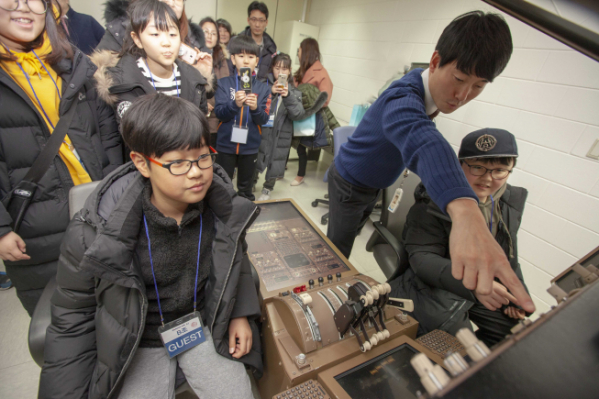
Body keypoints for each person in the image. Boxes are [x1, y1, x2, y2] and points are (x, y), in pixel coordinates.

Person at [39, 94, 261, 399]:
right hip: (138, 337)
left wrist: (239, 312)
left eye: (203, 156)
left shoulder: (221, 206)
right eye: (178, 163)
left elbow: (238, 259)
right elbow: (71, 319)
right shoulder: (95, 231)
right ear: (142, 163)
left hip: (202, 323)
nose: (196, 172)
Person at [326, 11, 534, 313]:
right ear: (434, 62)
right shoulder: (402, 97)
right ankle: (327, 307)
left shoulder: (430, 97)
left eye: (478, 86)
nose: (462, 95)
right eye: (460, 79)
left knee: (350, 239)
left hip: (371, 184)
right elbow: (421, 136)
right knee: (336, 254)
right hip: (350, 182)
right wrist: (466, 209)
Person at [0, 0, 123, 315]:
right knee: (63, 329)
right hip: (37, 228)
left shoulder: (76, 64)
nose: (22, 7)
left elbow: (107, 134)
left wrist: (115, 192)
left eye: (33, 0)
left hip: (99, 213)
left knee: (115, 316)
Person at [390, 128, 529, 347]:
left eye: (500, 170)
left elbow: (508, 253)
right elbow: (423, 260)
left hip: (480, 284)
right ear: (459, 165)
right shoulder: (432, 201)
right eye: (477, 168)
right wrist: (473, 285)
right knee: (458, 350)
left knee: (513, 335)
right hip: (436, 285)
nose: (487, 179)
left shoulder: (508, 203)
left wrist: (516, 294)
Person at [91, 0, 210, 128]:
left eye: (172, 34)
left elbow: (201, 131)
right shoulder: (120, 82)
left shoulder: (193, 79)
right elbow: (113, 139)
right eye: (155, 34)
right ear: (137, 39)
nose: (166, 42)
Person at [255, 53, 327, 201]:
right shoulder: (263, 86)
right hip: (262, 132)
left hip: (282, 135)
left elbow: (298, 114)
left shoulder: (295, 93)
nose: (280, 72)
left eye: (284, 69)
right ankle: (251, 182)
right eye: (277, 68)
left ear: (289, 71)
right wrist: (271, 93)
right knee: (256, 158)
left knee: (276, 160)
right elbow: (256, 106)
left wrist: (287, 96)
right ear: (272, 69)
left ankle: (268, 189)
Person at [97, 0, 213, 85]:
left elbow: (207, 95)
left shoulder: (194, 38)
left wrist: (200, 74)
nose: (172, 2)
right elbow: (101, 75)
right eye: (155, 34)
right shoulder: (120, 29)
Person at [214, 35, 270, 201]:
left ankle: (244, 213)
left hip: (250, 145)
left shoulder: (263, 88)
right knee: (223, 184)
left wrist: (255, 108)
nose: (246, 61)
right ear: (233, 59)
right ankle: (223, 214)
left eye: (251, 57)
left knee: (246, 187)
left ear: (257, 61)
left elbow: (263, 120)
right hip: (225, 144)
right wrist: (234, 104)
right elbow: (219, 113)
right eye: (240, 56)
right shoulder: (224, 83)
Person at [291, 38, 333, 187]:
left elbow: (325, 98)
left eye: (300, 49)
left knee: (301, 147)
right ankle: (280, 170)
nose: (298, 52)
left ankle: (300, 175)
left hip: (309, 117)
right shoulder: (301, 70)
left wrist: (307, 102)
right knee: (290, 143)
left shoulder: (321, 73)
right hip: (296, 114)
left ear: (306, 51)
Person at [200, 16, 229, 147]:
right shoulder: (190, 55)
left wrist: (212, 103)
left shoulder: (221, 57)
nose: (209, 36)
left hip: (215, 116)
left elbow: (224, 86)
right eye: (206, 31)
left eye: (213, 33)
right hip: (195, 114)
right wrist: (202, 102)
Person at [234, 1, 276, 82]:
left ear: (266, 22)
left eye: (261, 20)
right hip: (238, 89)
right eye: (254, 19)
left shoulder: (271, 48)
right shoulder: (237, 42)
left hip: (260, 91)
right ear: (248, 20)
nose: (257, 24)